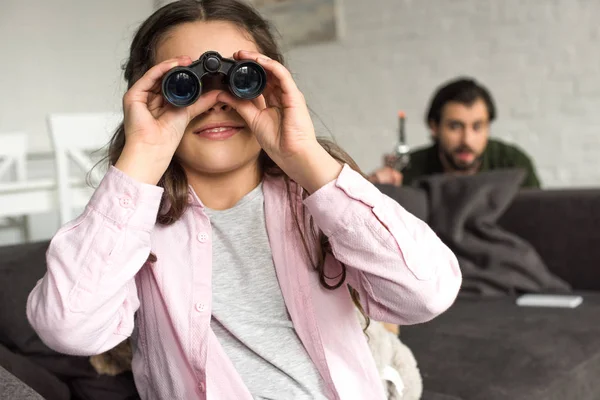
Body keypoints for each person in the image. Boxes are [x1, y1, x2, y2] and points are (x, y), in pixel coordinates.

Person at [26, 1, 461, 399]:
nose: (216, 101)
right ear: (148, 97)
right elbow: (68, 327)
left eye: (241, 77)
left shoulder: (320, 199)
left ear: (273, 84)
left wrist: (305, 157)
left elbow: (426, 294)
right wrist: (142, 156)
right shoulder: (133, 225)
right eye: (186, 84)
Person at [370, 77, 541, 188]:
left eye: (477, 127)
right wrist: (376, 191)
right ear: (434, 127)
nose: (467, 140)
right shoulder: (409, 171)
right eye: (455, 127)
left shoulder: (514, 164)